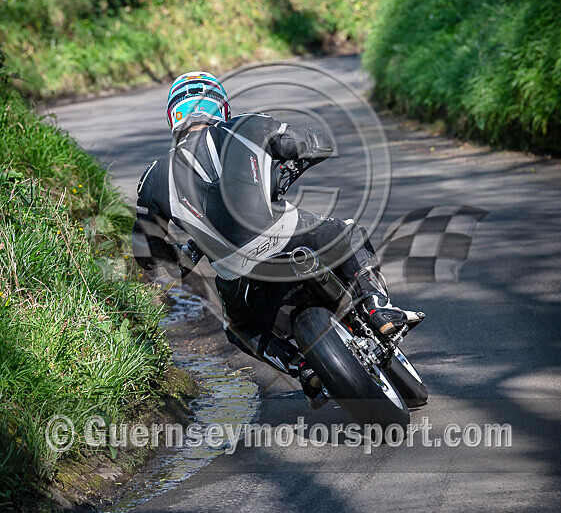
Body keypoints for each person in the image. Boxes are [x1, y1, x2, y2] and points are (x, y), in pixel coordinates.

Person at [132, 71, 423, 400]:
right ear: (220, 108)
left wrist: (183, 259)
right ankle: (377, 308)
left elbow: (146, 252)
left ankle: (302, 369)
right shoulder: (249, 125)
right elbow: (315, 143)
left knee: (239, 329)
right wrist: (287, 171)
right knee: (347, 232)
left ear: (174, 117)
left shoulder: (152, 178)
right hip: (285, 234)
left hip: (236, 273)